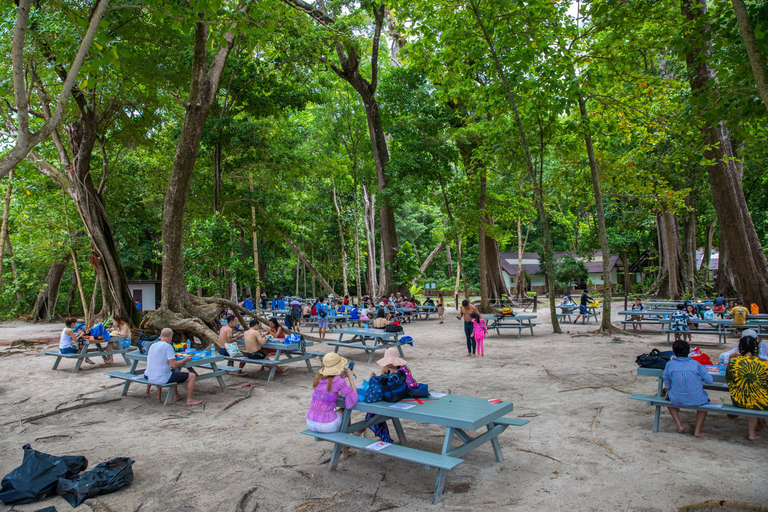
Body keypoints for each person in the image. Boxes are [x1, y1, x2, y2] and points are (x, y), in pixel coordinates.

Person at [306, 353, 358, 459]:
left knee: (341, 416)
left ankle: (345, 450)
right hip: (327, 425)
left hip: (311, 422)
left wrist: (340, 377)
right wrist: (350, 378)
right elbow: (354, 398)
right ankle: (345, 449)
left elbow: (328, 390)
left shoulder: (317, 378)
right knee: (345, 413)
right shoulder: (339, 381)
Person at [662, 340, 713, 436]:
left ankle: (679, 425)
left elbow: (666, 381)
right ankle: (697, 430)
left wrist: (669, 389)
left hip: (676, 397)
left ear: (674, 351)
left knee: (668, 398)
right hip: (697, 398)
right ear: (688, 351)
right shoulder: (696, 364)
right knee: (705, 402)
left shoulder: (670, 364)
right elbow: (709, 380)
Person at [144, 328, 202, 406]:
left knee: (173, 373)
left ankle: (176, 395)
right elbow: (174, 364)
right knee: (192, 376)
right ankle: (190, 400)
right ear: (171, 337)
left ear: (161, 335)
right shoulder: (168, 346)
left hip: (150, 376)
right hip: (162, 378)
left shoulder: (153, 345)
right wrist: (185, 360)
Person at [726, 335, 768, 440]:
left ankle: (752, 433)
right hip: (761, 400)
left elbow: (729, 381)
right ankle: (759, 426)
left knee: (750, 398)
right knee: (758, 398)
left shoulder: (733, 362)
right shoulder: (764, 363)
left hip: (739, 399)